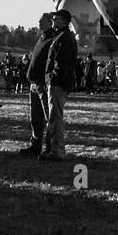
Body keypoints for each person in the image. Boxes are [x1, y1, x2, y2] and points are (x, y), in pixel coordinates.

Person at [42, 10, 78, 160]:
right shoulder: (63, 36)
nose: (53, 20)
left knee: (55, 118)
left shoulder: (64, 38)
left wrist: (52, 79)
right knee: (53, 117)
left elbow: (62, 63)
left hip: (58, 83)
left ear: (64, 21)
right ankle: (52, 149)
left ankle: (57, 152)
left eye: (56, 18)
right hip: (58, 82)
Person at [19, 28, 56, 155]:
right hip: (34, 84)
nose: (39, 24)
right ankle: (35, 145)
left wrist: (46, 80)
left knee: (48, 116)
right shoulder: (41, 39)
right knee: (35, 117)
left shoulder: (52, 40)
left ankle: (50, 147)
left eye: (42, 22)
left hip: (42, 84)